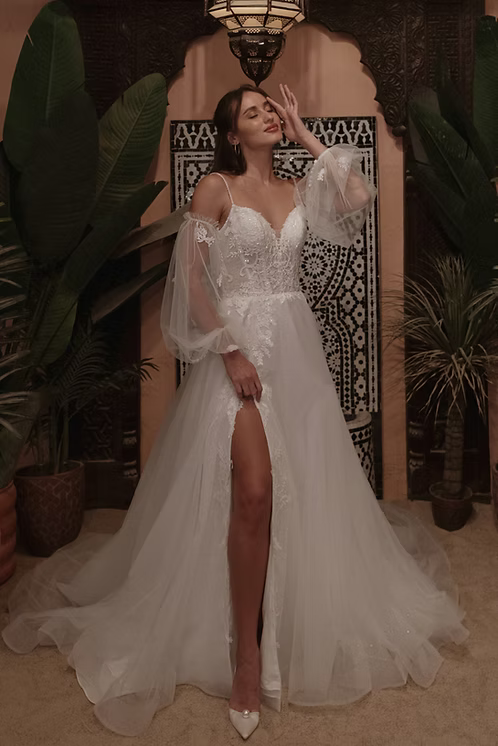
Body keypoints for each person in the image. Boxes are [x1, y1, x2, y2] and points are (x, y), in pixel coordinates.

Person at [2, 84, 469, 741]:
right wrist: (228, 350)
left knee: (298, 489)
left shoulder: (300, 188)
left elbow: (359, 196)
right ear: (230, 134)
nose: (267, 115)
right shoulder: (215, 188)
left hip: (296, 357)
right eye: (254, 112)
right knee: (252, 491)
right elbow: (193, 280)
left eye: (270, 108)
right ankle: (245, 657)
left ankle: (284, 617)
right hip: (238, 352)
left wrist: (306, 135)